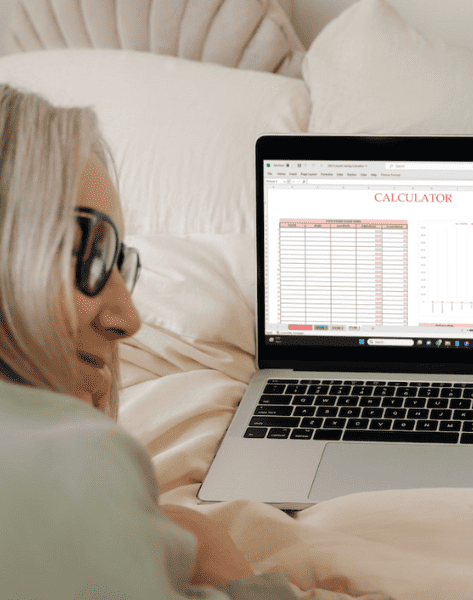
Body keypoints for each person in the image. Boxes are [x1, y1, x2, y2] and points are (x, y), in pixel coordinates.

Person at [0, 84, 299, 599]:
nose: (129, 320)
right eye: (88, 255)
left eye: (121, 265)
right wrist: (226, 567)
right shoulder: (69, 465)